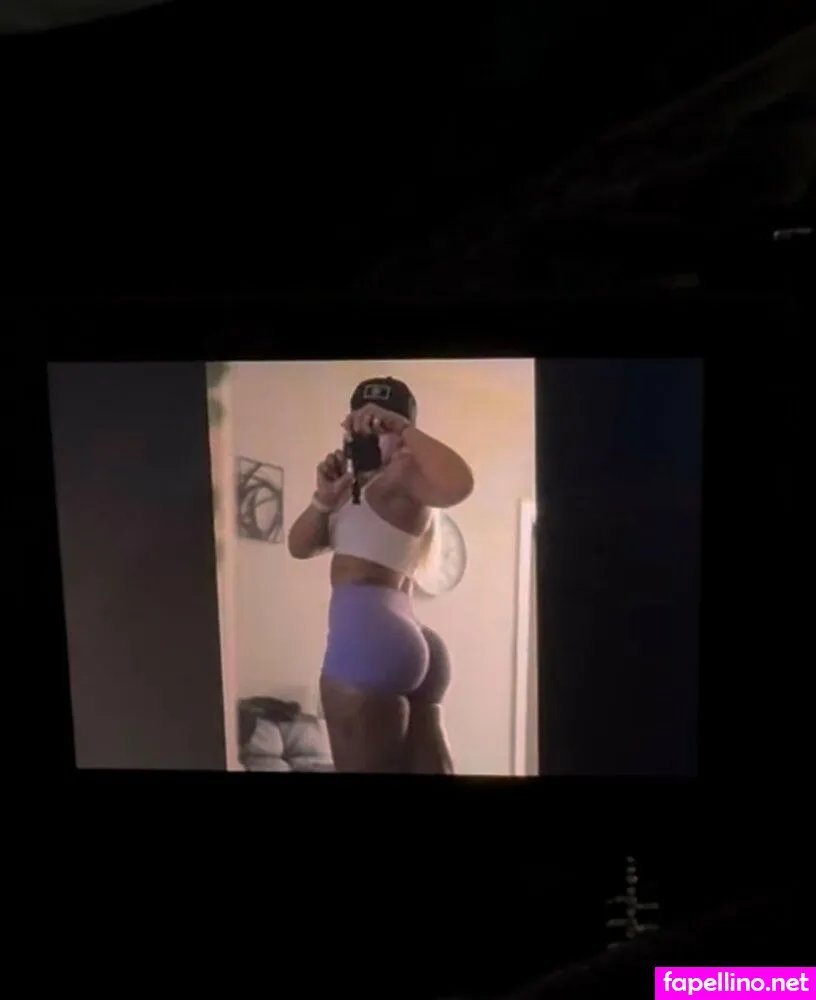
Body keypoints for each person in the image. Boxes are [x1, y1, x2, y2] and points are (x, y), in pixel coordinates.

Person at [287, 376, 474, 773]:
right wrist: (323, 500)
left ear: (402, 432)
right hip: (401, 633)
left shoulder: (404, 476)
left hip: (368, 639)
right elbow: (299, 547)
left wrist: (403, 429)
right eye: (361, 424)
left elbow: (460, 484)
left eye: (381, 426)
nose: (370, 436)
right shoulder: (349, 487)